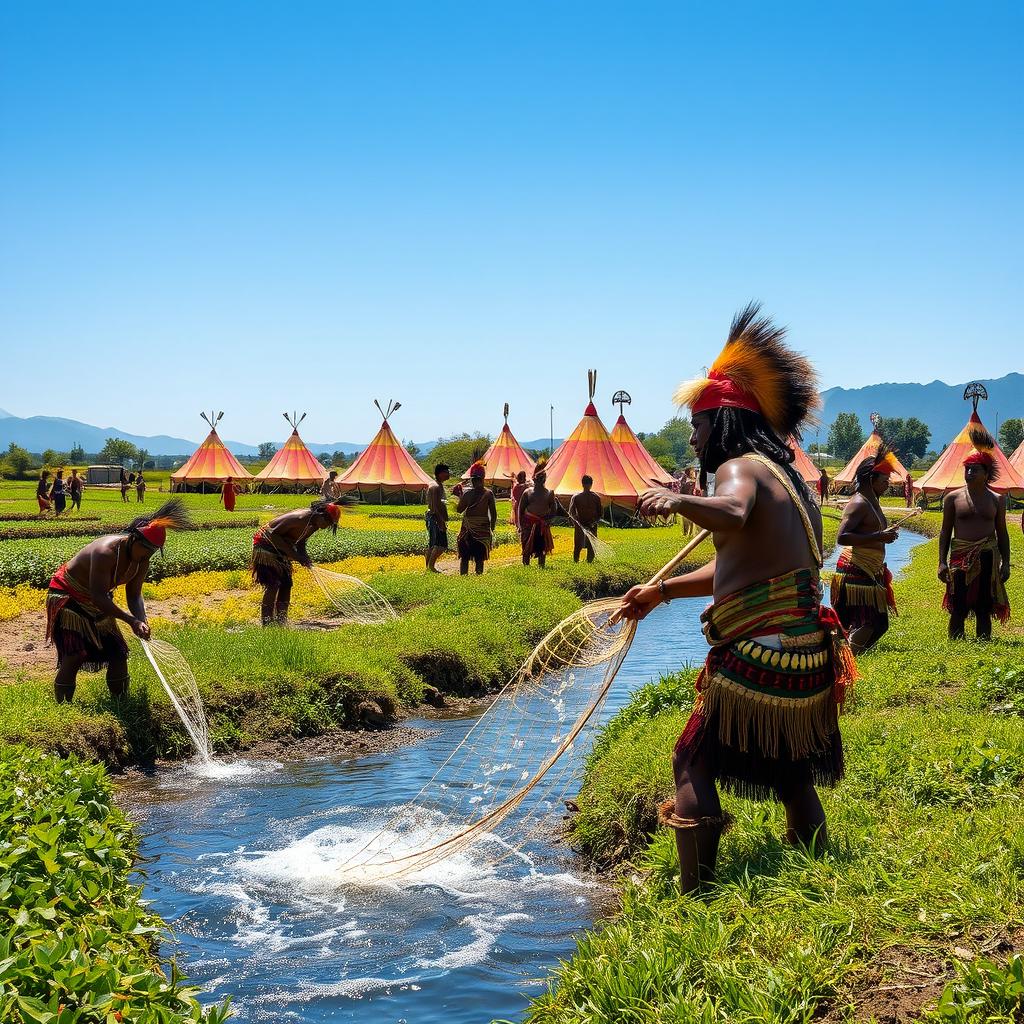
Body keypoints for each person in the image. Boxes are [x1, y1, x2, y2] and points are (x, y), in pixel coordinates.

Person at [619, 303, 855, 894]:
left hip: (755, 657)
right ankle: (813, 868)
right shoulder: (790, 481)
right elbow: (739, 568)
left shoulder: (737, 472)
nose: (694, 436)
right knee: (791, 773)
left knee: (691, 757)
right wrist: (664, 591)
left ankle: (694, 892)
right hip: (807, 657)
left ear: (722, 424)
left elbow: (731, 512)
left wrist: (679, 502)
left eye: (698, 425)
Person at [45, 498, 192, 702]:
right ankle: (62, 706)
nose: (148, 555)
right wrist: (131, 620)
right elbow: (98, 596)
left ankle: (121, 703)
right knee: (75, 654)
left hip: (98, 599)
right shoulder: (106, 552)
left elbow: (134, 594)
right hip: (68, 595)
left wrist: (142, 620)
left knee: (118, 653)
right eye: (146, 549)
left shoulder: (142, 560)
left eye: (152, 552)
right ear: (133, 539)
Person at [938, 426, 1011, 640]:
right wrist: (941, 562)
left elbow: (1002, 533)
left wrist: (1005, 563)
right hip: (960, 556)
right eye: (967, 469)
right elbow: (945, 531)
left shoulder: (997, 500)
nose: (969, 473)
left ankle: (983, 640)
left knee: (984, 603)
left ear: (986, 473)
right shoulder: (953, 498)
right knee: (958, 602)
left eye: (974, 470)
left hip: (988, 555)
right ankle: (956, 640)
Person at [831, 445, 901, 654]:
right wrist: (879, 536)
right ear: (871, 479)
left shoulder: (872, 501)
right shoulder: (859, 503)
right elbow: (842, 537)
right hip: (857, 568)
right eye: (884, 480)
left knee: (879, 624)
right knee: (869, 622)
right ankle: (848, 657)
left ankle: (847, 652)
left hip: (871, 569)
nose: (887, 485)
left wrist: (884, 535)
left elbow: (871, 532)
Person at [251, 500, 342, 626]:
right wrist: (296, 556)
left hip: (282, 548)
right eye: (328, 523)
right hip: (265, 546)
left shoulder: (314, 525)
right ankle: (267, 622)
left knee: (286, 584)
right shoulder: (300, 518)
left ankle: (281, 621)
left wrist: (304, 557)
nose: (327, 526)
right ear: (321, 515)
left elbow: (300, 542)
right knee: (273, 584)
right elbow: (274, 535)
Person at [456, 461, 498, 575]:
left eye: (477, 480)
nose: (475, 482)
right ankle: (463, 577)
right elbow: (459, 510)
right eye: (473, 480)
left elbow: (493, 513)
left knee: (480, 557)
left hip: (482, 528)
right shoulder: (468, 494)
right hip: (468, 529)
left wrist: (492, 528)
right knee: (464, 556)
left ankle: (478, 577)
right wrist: (457, 496)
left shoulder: (488, 494)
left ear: (482, 479)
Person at [519, 459, 557, 567]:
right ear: (534, 479)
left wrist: (547, 520)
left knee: (542, 548)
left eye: (542, 478)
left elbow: (554, 510)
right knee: (526, 548)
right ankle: (526, 567)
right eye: (538, 478)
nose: (540, 480)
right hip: (528, 525)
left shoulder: (550, 493)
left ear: (545, 479)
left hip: (542, 525)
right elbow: (520, 510)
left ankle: (541, 567)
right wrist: (521, 525)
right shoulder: (527, 492)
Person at [568, 475, 603, 563]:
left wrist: (594, 523)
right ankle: (576, 562)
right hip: (581, 524)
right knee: (578, 545)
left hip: (591, 524)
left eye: (588, 484)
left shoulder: (595, 497)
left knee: (591, 545)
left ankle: (588, 563)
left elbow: (600, 514)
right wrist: (577, 523)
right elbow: (571, 513)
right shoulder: (577, 497)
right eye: (586, 484)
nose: (587, 486)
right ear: (583, 484)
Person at [425, 464, 451, 572]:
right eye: (446, 472)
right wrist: (441, 522)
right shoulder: (435, 486)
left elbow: (440, 503)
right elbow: (435, 506)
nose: (448, 474)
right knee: (441, 545)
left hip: (434, 517)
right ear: (440, 474)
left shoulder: (437, 485)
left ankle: (429, 567)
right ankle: (431, 567)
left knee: (433, 544)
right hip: (435, 518)